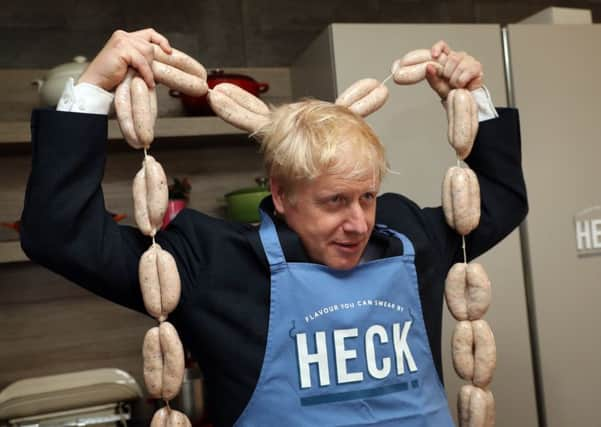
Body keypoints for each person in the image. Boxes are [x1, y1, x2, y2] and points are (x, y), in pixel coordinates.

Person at [20, 28, 528, 426]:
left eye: (366, 197)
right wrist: (93, 89)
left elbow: (501, 200)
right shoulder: (209, 262)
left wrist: (471, 97)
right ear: (281, 196)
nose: (357, 223)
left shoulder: (406, 237)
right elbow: (61, 234)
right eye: (334, 202)